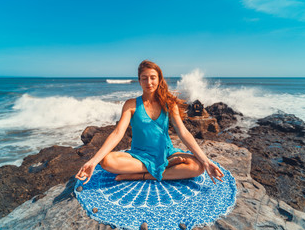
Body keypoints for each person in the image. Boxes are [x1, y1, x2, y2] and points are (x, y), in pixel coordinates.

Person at [76, 60, 224, 184]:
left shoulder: (169, 103)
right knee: (107, 161)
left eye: (153, 77)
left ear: (159, 79)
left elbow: (183, 132)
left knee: (197, 167)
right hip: (139, 156)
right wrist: (93, 161)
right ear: (139, 80)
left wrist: (205, 160)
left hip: (166, 154)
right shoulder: (131, 105)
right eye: (144, 78)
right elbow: (117, 133)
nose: (149, 82)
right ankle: (163, 168)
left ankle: (141, 175)